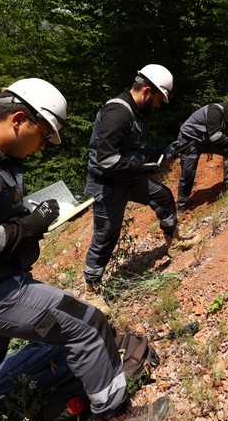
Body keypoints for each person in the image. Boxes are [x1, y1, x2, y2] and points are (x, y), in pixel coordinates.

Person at [0, 77, 169, 421]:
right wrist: (33, 224)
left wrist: (26, 218)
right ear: (19, 119)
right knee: (88, 324)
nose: (42, 147)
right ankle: (117, 420)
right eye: (43, 136)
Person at [83, 64, 202, 299]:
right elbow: (106, 160)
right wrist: (142, 167)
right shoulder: (117, 113)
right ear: (147, 91)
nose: (158, 106)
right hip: (107, 183)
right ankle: (91, 289)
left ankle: (174, 243)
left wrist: (162, 151)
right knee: (106, 234)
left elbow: (135, 147)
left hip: (126, 177)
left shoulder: (134, 113)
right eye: (158, 100)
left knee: (162, 196)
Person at [173, 91, 228, 212]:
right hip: (190, 141)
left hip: (206, 140)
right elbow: (216, 137)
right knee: (188, 172)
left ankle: (227, 183)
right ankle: (181, 206)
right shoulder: (215, 111)